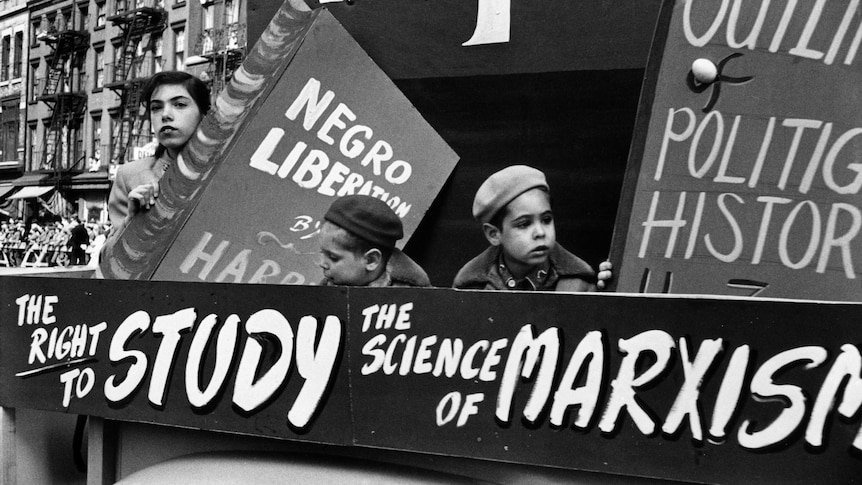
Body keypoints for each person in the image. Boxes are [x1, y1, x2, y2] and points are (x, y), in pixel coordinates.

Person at [453, 165, 612, 292]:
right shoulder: (470, 287)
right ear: (494, 234)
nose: (540, 233)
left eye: (546, 220)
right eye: (524, 224)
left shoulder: (579, 285)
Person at [106, 71, 211, 240]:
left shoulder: (228, 167)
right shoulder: (130, 176)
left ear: (204, 114)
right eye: (156, 108)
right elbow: (107, 260)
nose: (165, 115)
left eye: (180, 105)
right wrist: (133, 220)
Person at [317, 194, 431, 287]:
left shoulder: (413, 299)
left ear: (371, 260)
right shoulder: (328, 286)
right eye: (322, 253)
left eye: (333, 258)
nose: (322, 263)